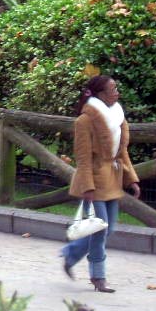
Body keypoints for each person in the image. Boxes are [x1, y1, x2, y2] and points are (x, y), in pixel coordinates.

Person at [61, 74, 141, 292]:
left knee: (109, 228)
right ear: (100, 94)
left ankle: (71, 254)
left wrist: (131, 179)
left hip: (112, 179)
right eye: (112, 89)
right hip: (94, 181)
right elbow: (83, 158)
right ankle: (99, 277)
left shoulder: (117, 116)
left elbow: (122, 151)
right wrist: (87, 187)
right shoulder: (85, 121)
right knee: (100, 229)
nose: (117, 92)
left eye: (116, 88)